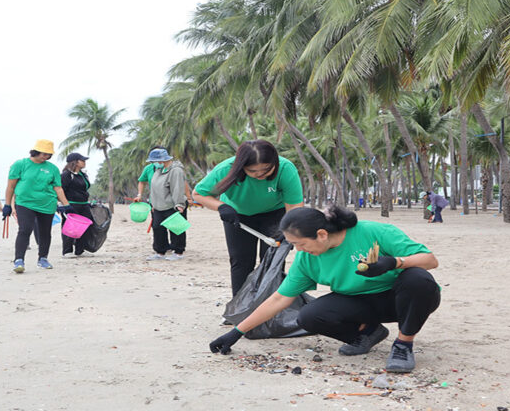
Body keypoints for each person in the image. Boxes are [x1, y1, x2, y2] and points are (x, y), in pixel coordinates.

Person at [209, 205, 441, 373]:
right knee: (309, 316)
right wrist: (237, 332)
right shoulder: (307, 259)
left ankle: (403, 344)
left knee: (418, 279)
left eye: (301, 243)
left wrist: (393, 263)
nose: (299, 250)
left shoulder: (373, 232)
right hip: (360, 304)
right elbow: (279, 298)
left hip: (402, 300)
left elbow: (430, 260)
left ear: (321, 235)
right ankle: (368, 333)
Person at [192, 140, 304, 299]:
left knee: (273, 260)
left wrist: (289, 230)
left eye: (266, 169)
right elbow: (198, 194)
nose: (260, 174)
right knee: (241, 261)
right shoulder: (225, 170)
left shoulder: (285, 168)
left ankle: (270, 304)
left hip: (275, 214)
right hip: (237, 215)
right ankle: (239, 305)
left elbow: (294, 206)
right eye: (253, 171)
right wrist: (221, 207)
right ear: (241, 166)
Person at [2, 140, 74, 273]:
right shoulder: (20, 164)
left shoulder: (52, 168)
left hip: (47, 204)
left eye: (49, 155)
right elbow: (11, 186)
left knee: (45, 232)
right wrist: (7, 205)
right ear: (35, 151)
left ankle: (43, 259)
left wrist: (66, 205)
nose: (46, 157)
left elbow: (58, 188)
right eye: (44, 154)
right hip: (25, 203)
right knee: (25, 229)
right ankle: (19, 260)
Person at [145, 149, 188, 261]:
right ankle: (160, 252)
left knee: (175, 229)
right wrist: (153, 204)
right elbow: (154, 189)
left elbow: (177, 188)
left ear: (161, 160)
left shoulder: (176, 170)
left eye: (154, 161)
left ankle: (178, 252)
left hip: (172, 205)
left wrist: (179, 204)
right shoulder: (158, 170)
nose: (153, 163)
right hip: (158, 205)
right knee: (157, 228)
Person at [59, 152, 92, 257]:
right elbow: (60, 190)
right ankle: (67, 251)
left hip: (84, 204)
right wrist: (63, 205)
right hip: (71, 204)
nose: (84, 162)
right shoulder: (66, 175)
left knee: (85, 227)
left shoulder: (83, 175)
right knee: (69, 227)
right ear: (75, 162)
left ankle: (80, 250)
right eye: (82, 160)